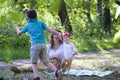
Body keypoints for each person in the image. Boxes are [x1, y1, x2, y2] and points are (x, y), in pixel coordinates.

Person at [14, 9, 62, 80]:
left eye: (26, 16)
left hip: (35, 46)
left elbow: (19, 34)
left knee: (34, 63)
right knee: (46, 62)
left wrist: (16, 27)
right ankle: (56, 71)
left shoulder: (28, 25)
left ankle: (37, 77)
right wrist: (57, 33)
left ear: (28, 17)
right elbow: (49, 30)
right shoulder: (41, 23)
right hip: (43, 45)